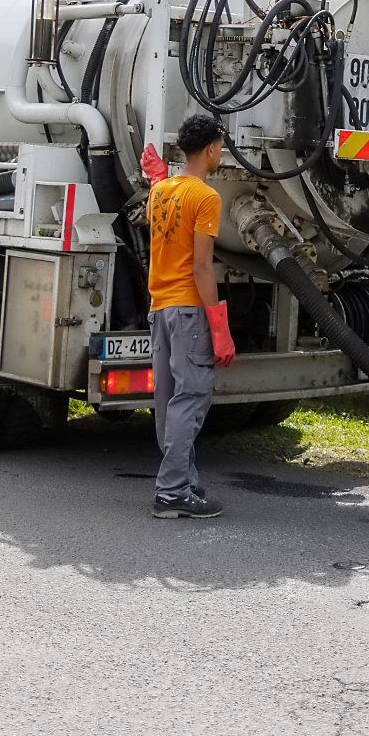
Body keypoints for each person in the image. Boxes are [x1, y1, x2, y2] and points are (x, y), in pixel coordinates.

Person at [144, 113, 236, 518]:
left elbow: (166, 232)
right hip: (186, 309)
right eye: (221, 147)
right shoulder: (206, 197)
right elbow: (201, 267)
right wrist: (219, 327)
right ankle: (172, 492)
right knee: (192, 395)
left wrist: (157, 178)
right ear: (212, 148)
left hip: (159, 307)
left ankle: (186, 482)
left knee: (168, 401)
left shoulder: (161, 190)